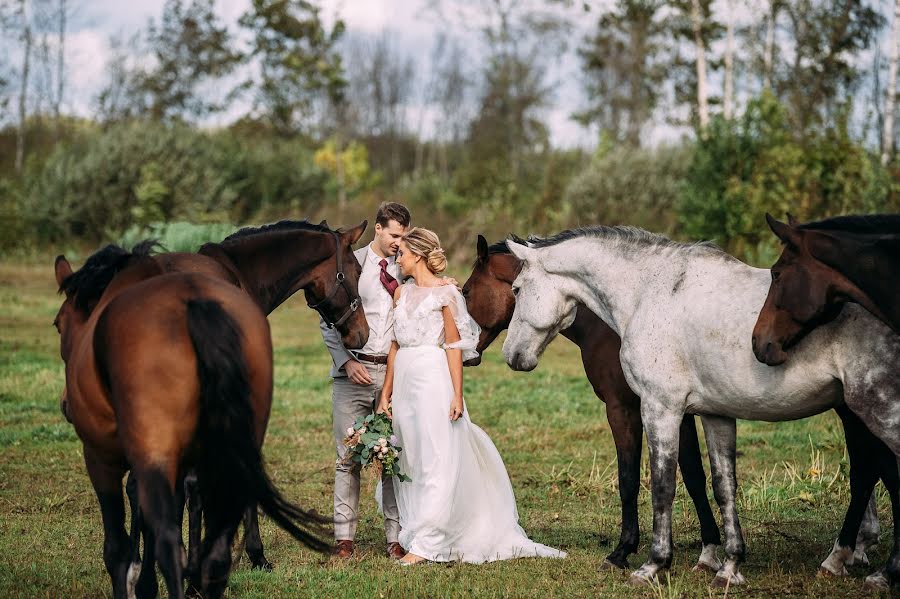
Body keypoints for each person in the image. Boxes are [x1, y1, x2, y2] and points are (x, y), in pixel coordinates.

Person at [376, 227, 566, 565]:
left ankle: (429, 543)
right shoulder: (401, 294)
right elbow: (393, 345)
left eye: (401, 253)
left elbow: (453, 346)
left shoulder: (446, 295)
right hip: (405, 379)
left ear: (418, 255)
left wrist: (457, 395)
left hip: (433, 379)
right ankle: (421, 528)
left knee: (437, 454)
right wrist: (386, 392)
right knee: (412, 456)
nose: (397, 259)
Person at [320, 201, 410, 560]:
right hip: (353, 373)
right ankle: (344, 538)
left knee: (392, 456)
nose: (398, 242)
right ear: (378, 228)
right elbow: (328, 320)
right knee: (348, 458)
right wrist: (344, 362)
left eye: (403, 236)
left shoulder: (405, 266)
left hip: (393, 375)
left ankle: (395, 537)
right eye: (394, 235)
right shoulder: (351, 264)